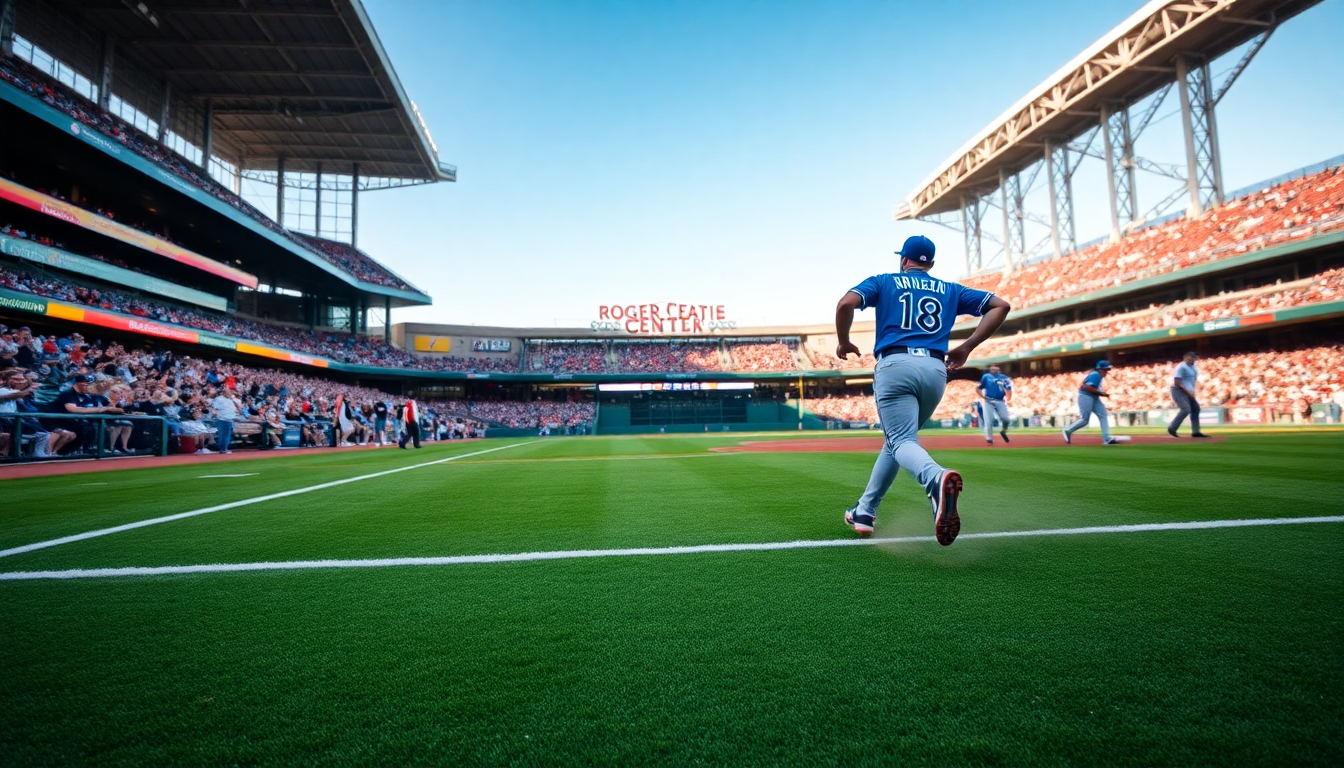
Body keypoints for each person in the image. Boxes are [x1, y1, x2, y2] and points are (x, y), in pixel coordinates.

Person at [834, 235, 1011, 545]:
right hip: (935, 370)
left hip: (896, 364)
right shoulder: (951, 289)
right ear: (930, 263)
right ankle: (865, 511)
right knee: (898, 442)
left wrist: (844, 340)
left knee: (900, 439)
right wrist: (967, 346)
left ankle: (935, 479)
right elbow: (1000, 305)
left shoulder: (885, 281)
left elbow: (846, 303)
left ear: (904, 260)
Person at [1063, 361, 1120, 445]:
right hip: (1086, 396)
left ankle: (1107, 438)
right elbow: (1088, 388)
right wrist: (1102, 394)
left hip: (1093, 397)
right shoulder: (1095, 375)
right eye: (1105, 369)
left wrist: (1101, 393)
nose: (1107, 371)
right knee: (1085, 420)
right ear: (1100, 369)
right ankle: (1068, 430)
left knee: (1103, 414)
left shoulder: (1097, 375)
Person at [1167, 351, 1209, 438]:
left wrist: (1192, 392)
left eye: (1194, 357)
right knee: (1186, 409)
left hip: (1188, 391)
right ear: (1185, 357)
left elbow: (1191, 382)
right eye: (1190, 356)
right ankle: (1172, 428)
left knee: (1196, 408)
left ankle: (1196, 431)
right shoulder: (1181, 367)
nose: (1192, 358)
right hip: (1178, 390)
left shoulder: (1194, 367)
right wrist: (1188, 393)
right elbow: (1177, 383)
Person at [977, 363, 1013, 445]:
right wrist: (982, 397)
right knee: (989, 420)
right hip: (988, 401)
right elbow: (978, 388)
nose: (993, 368)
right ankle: (989, 438)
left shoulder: (1004, 378)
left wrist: (1007, 396)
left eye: (995, 366)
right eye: (991, 367)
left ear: (999, 368)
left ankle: (1003, 431)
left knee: (1006, 419)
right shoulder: (986, 377)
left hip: (1000, 400)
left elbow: (1009, 391)